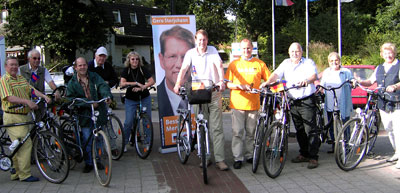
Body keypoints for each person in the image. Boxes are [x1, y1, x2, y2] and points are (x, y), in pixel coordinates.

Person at [173, 29, 229, 171]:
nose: (202, 43)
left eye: (204, 40)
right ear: (195, 40)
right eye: (199, 40)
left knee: (216, 127)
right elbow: (184, 68)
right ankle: (205, 156)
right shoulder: (191, 53)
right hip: (198, 93)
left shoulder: (213, 50)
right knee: (201, 126)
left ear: (207, 40)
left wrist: (221, 81)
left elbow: (219, 65)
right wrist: (178, 83)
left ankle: (220, 160)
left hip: (213, 92)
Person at [261, 42, 320, 169]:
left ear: (301, 52)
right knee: (299, 129)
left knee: (310, 129)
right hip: (292, 100)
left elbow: (313, 75)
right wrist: (267, 82)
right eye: (292, 51)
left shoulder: (308, 63)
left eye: (297, 51)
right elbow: (276, 74)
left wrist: (307, 81)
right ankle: (304, 153)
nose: (295, 54)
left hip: (306, 99)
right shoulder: (286, 63)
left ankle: (314, 157)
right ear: (289, 53)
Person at [0, 57, 51, 182]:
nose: (14, 67)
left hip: (24, 115)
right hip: (12, 116)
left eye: (16, 65)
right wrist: (27, 101)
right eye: (11, 65)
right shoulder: (4, 80)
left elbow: (31, 90)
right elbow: (9, 97)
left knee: (18, 144)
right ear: (6, 67)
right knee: (25, 144)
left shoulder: (21, 78)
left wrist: (44, 96)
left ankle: (16, 173)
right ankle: (25, 174)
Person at [224, 39, 271, 169]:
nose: (246, 51)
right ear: (240, 49)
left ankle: (250, 155)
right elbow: (227, 83)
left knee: (251, 132)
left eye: (248, 48)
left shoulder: (259, 63)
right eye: (244, 48)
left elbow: (269, 80)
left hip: (253, 105)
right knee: (237, 132)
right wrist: (239, 86)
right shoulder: (234, 64)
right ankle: (238, 158)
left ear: (252, 48)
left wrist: (264, 85)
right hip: (237, 104)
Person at [356, 43, 400, 169]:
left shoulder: (398, 65)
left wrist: (395, 86)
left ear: (394, 53)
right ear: (382, 54)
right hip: (383, 102)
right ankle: (397, 151)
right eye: (385, 53)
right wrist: (360, 81)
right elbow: (370, 81)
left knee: (398, 130)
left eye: (390, 52)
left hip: (396, 101)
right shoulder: (379, 68)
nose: (388, 55)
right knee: (388, 128)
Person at [66, 57, 112, 173]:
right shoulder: (72, 83)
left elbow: (103, 86)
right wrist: (86, 104)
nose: (82, 67)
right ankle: (89, 162)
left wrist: (106, 96)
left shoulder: (94, 76)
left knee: (99, 137)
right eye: (80, 65)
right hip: (84, 114)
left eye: (84, 65)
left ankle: (98, 159)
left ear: (87, 66)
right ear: (76, 68)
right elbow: (71, 98)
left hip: (98, 112)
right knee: (87, 138)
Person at [120, 51, 155, 152]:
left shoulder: (142, 69)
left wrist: (143, 87)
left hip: (144, 97)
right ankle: (125, 142)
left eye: (137, 59)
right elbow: (122, 83)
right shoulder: (126, 70)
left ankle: (148, 142)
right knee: (128, 121)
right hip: (130, 99)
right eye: (132, 59)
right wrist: (135, 83)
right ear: (129, 61)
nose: (135, 61)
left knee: (146, 120)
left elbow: (152, 81)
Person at [157, 26, 195, 118]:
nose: (180, 64)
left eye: (185, 57)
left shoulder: (201, 92)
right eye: (172, 56)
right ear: (162, 60)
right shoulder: (160, 94)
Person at [319, 52, 353, 153]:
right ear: (329, 62)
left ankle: (346, 145)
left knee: (345, 123)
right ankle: (334, 144)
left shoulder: (345, 71)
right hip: (330, 102)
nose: (334, 62)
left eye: (336, 60)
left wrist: (353, 82)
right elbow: (322, 83)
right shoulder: (326, 72)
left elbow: (351, 80)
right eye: (332, 61)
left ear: (339, 61)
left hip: (343, 102)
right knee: (331, 124)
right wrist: (320, 88)